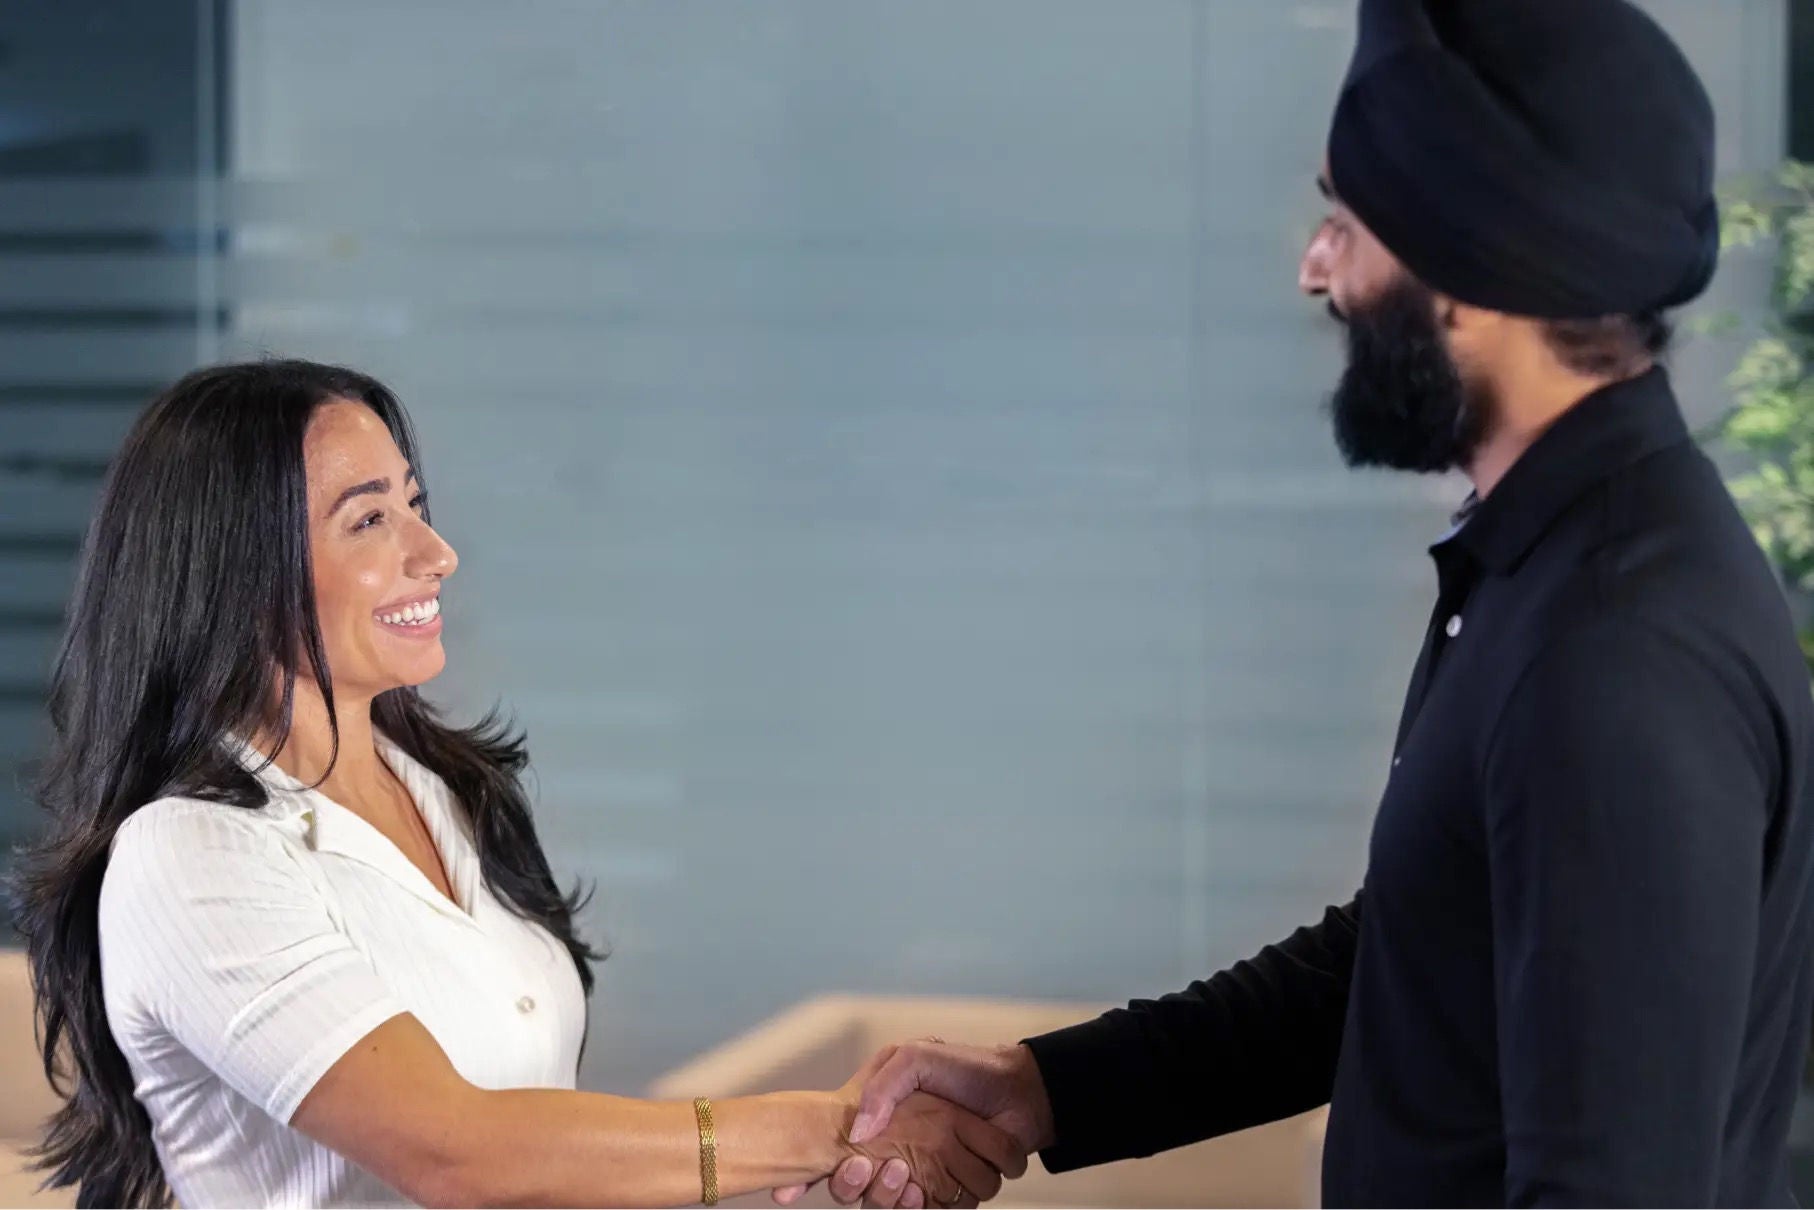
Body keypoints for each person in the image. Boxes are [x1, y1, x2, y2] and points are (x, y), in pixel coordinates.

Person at [803, 0, 1814, 1206]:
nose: (1314, 268)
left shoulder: (1615, 654)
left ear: (1469, 269)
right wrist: (1047, 1088)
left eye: (1346, 223)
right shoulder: (1548, 568)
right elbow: (1414, 957)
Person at [9, 359, 1027, 1209]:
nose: (435, 553)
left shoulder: (449, 792)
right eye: (369, 521)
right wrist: (830, 1128)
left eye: (415, 505)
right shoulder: (190, 854)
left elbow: (536, 1130)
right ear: (235, 569)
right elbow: (459, 1153)